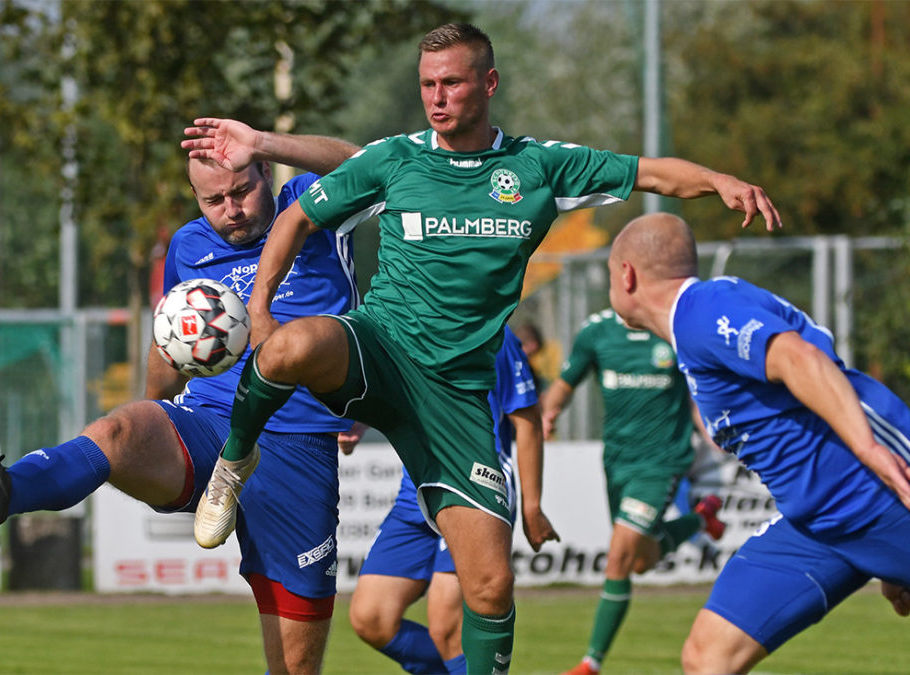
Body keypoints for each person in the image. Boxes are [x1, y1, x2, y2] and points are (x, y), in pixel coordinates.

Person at [188, 23, 780, 673]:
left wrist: (719, 180)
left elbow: (649, 173)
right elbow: (300, 216)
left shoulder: (537, 166)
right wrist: (264, 306)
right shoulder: (398, 157)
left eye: (451, 82)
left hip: (459, 400)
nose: (436, 98)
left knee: (492, 586)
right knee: (288, 346)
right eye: (426, 85)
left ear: (488, 84)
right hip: (382, 348)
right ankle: (234, 461)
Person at [0, 122, 361, 674]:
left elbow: (364, 160)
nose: (230, 210)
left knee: (293, 668)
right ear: (195, 197)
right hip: (210, 423)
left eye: (241, 191)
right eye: (214, 200)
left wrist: (263, 140)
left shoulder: (310, 203)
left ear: (265, 170)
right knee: (118, 431)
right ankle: (5, 488)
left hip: (296, 445)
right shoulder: (189, 245)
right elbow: (174, 342)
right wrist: (151, 417)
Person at [606, 211, 910, 674]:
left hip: (874, 491)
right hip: (818, 524)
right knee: (708, 658)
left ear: (626, 275)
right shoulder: (695, 328)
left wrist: (869, 451)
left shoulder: (699, 311)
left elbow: (799, 357)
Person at [346, 325, 557, 674]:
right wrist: (362, 423)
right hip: (415, 491)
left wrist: (533, 506)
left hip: (475, 489)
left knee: (448, 628)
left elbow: (528, 420)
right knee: (372, 618)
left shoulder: (493, 334)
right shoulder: (404, 326)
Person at [541, 308, 726, 675]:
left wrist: (714, 435)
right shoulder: (596, 332)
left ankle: (590, 663)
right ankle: (700, 520)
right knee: (641, 560)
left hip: (663, 463)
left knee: (619, 557)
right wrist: (549, 415)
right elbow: (565, 384)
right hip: (617, 463)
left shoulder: (673, 332)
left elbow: (695, 396)